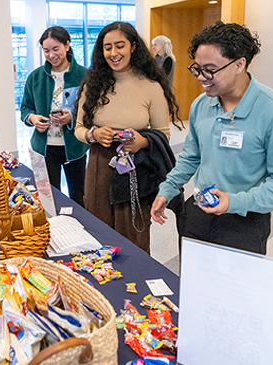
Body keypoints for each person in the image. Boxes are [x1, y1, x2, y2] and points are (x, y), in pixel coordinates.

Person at [151, 22, 273, 255]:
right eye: (197, 68)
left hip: (245, 220)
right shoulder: (201, 105)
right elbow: (191, 157)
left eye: (210, 69)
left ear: (240, 64)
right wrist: (168, 188)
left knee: (233, 290)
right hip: (200, 209)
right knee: (193, 284)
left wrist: (235, 202)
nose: (201, 77)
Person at [75, 21, 181, 254]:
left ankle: (136, 284)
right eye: (107, 47)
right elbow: (79, 128)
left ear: (133, 47)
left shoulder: (151, 86)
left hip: (135, 167)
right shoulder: (92, 85)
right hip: (99, 165)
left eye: (120, 46)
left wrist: (142, 141)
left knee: (134, 234)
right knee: (98, 231)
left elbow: (163, 133)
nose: (113, 53)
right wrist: (93, 134)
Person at [21, 26, 89, 206]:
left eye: (55, 49)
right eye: (46, 50)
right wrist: (33, 118)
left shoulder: (84, 76)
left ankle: (77, 231)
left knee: (78, 195)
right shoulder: (35, 77)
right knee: (47, 197)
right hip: (44, 147)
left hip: (75, 146)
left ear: (67, 45)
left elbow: (93, 111)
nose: (51, 55)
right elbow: (25, 108)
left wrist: (72, 119)